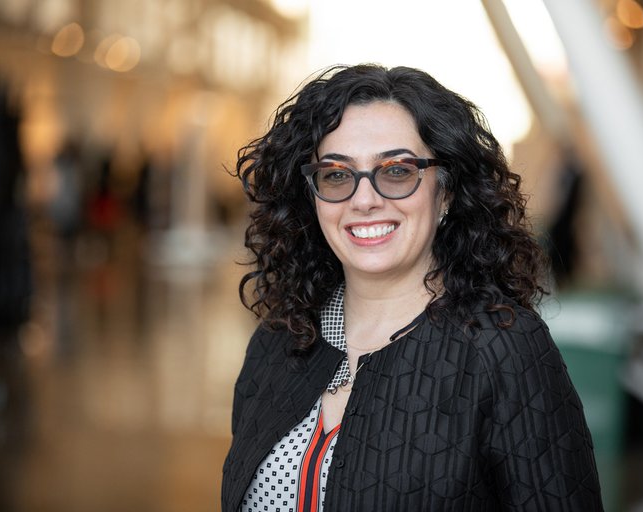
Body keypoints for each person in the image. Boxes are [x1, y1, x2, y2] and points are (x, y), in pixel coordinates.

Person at [222, 64, 603, 511]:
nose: (364, 200)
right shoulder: (278, 340)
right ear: (312, 196)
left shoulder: (503, 350)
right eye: (337, 175)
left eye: (397, 171)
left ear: (445, 192)